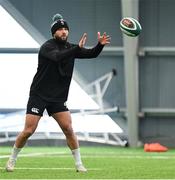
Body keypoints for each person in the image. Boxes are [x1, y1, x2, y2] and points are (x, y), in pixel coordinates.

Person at [6, 13, 110, 173]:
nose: (64, 32)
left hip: (57, 97)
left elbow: (91, 54)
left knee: (68, 128)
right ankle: (12, 160)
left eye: (66, 29)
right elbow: (57, 57)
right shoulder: (47, 47)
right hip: (39, 95)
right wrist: (77, 49)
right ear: (54, 33)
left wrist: (99, 45)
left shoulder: (71, 48)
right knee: (28, 130)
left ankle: (79, 164)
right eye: (60, 29)